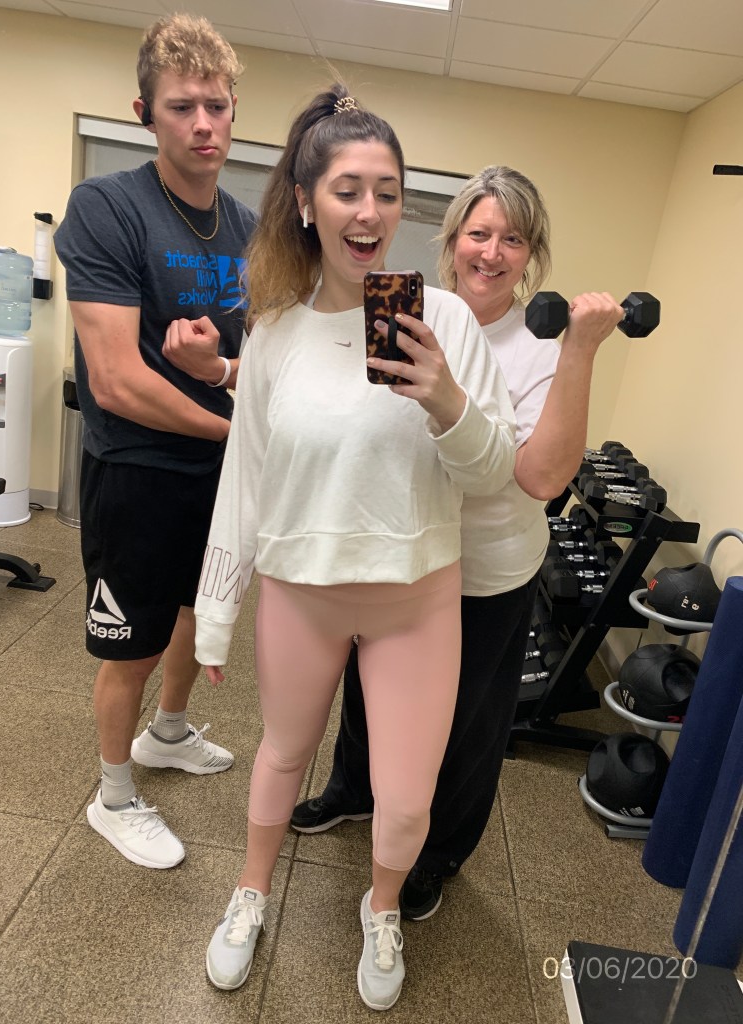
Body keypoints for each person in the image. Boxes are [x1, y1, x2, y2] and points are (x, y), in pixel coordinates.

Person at [193, 88, 516, 1010]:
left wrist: (445, 399)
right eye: (346, 190)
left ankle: (381, 908)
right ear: (305, 201)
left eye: (387, 191)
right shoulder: (275, 329)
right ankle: (249, 894)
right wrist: (216, 610)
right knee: (282, 756)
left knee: (406, 798)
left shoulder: (445, 321)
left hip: (417, 595)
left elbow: (493, 472)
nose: (369, 212)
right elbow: (245, 477)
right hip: (302, 591)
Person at [291, 165, 624, 919]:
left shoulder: (543, 345)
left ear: (531, 253)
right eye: (479, 233)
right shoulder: (408, 314)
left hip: (484, 570)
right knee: (366, 684)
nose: (492, 253)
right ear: (452, 241)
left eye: (513, 239)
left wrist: (581, 350)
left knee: (464, 721)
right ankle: (353, 789)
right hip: (397, 550)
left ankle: (438, 852)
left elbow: (541, 477)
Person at [54, 13, 257, 870]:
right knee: (130, 643)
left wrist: (228, 376)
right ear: (146, 114)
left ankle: (168, 734)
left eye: (217, 105)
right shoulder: (108, 208)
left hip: (215, 472)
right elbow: (115, 381)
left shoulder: (248, 228)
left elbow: (259, 360)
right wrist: (241, 431)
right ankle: (113, 795)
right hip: (137, 468)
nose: (203, 124)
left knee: (192, 611)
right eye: (182, 107)